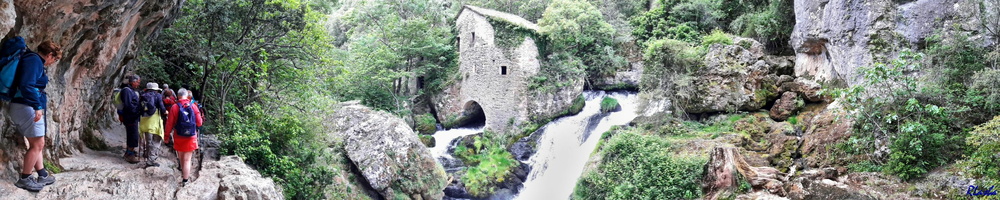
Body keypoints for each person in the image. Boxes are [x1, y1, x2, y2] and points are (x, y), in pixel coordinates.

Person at [5, 40, 61, 192]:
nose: (52, 62)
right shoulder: (34, 60)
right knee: (38, 144)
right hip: (26, 106)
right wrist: (37, 106)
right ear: (49, 54)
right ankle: (25, 178)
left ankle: (42, 174)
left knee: (36, 142)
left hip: (24, 105)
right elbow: (27, 84)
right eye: (54, 59)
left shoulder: (33, 60)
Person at [164, 88, 202, 186]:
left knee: (181, 157)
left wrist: (166, 136)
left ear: (177, 96)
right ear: (187, 96)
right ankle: (185, 180)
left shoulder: (174, 107)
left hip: (179, 135)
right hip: (191, 136)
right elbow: (199, 122)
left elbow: (169, 124)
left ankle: (183, 173)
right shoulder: (193, 106)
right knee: (187, 159)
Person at [139, 82, 167, 167]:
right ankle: (151, 160)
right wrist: (166, 112)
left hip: (144, 121)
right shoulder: (157, 96)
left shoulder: (142, 96)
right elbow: (162, 108)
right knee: (156, 141)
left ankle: (148, 158)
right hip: (154, 122)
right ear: (156, 90)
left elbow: (139, 108)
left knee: (148, 141)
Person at [119, 74, 143, 164]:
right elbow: (128, 105)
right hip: (130, 117)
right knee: (133, 135)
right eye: (137, 82)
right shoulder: (127, 91)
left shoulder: (130, 90)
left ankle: (130, 152)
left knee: (132, 134)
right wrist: (137, 110)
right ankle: (129, 154)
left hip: (132, 116)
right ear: (133, 82)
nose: (138, 84)